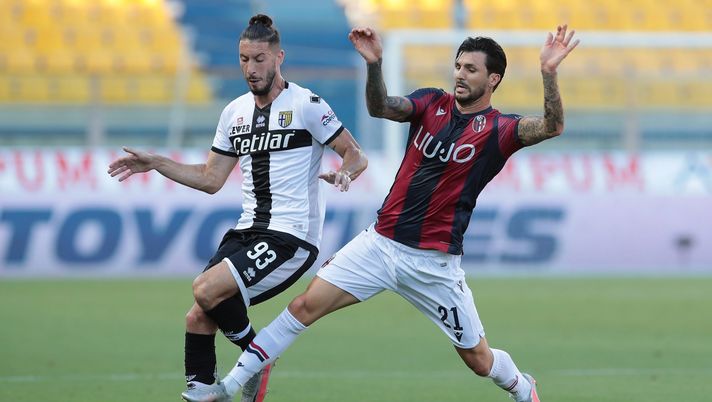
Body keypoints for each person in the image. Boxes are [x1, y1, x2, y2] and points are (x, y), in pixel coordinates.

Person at [190, 24, 579, 402]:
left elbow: (551, 125)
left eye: (471, 70)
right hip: (378, 244)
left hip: (433, 264)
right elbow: (380, 107)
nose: (460, 75)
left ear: (493, 80)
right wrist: (374, 65)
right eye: (458, 66)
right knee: (303, 307)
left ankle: (521, 387)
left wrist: (548, 72)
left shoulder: (498, 129)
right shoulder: (431, 103)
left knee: (478, 359)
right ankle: (230, 385)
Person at [107, 14, 368, 402]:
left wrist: (345, 173)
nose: (251, 68)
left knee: (205, 288)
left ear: (279, 57)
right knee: (198, 314)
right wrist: (158, 163)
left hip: (291, 235)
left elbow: (355, 154)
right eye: (244, 59)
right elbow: (212, 179)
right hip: (248, 229)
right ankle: (202, 391)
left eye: (259, 59)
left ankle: (257, 356)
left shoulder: (307, 104)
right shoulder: (234, 112)